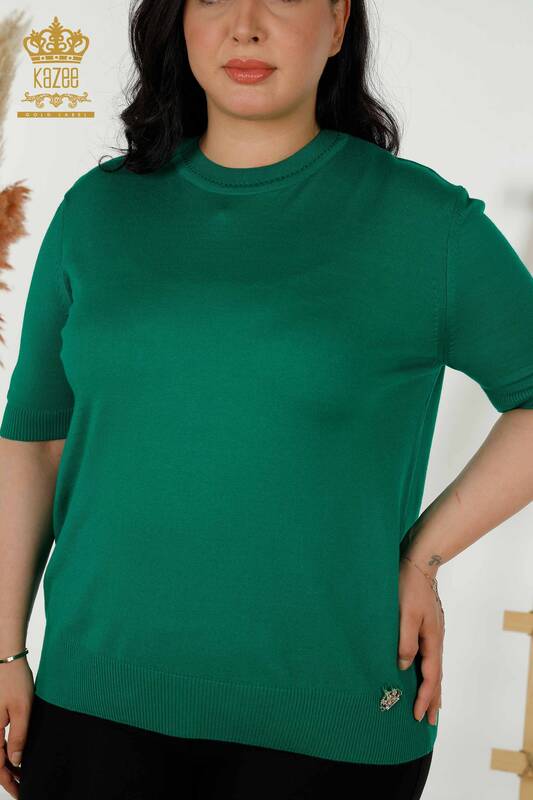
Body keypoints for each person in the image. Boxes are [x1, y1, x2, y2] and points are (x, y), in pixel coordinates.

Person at [1, 0, 532, 798]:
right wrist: (5, 651)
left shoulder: (425, 224)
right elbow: (36, 439)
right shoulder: (98, 211)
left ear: (337, 21)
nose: (245, 26)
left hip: (329, 726)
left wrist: (423, 554)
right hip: (93, 705)